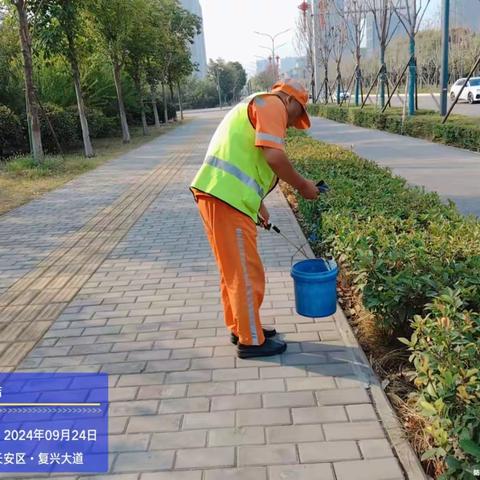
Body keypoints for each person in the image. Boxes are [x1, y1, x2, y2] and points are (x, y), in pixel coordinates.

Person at [190, 79, 319, 359]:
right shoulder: (272, 104)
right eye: (297, 116)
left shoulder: (256, 104)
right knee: (247, 273)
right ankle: (251, 341)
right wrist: (303, 186)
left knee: (233, 270)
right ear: (291, 101)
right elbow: (273, 155)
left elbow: (244, 158)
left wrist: (258, 205)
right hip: (226, 200)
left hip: (220, 196)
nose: (290, 125)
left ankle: (242, 327)